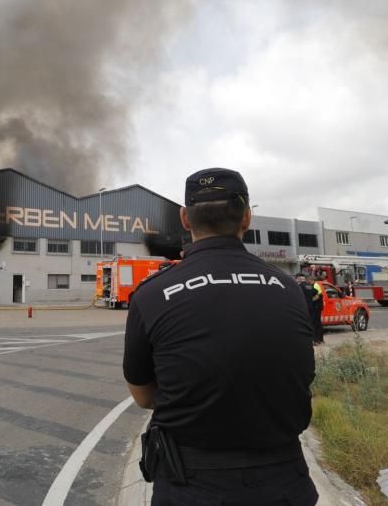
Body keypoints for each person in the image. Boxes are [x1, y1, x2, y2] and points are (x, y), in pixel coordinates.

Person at [123, 167, 318, 505]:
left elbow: (143, 396)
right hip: (285, 481)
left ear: (185, 219)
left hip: (190, 485)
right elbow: (299, 372)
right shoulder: (290, 288)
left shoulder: (152, 294)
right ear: (247, 218)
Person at [310, 273, 325, 345]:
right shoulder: (315, 285)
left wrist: (310, 301)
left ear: (312, 280)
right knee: (317, 323)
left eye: (309, 281)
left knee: (317, 323)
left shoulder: (315, 285)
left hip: (317, 307)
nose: (309, 282)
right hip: (317, 306)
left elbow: (318, 296)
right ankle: (320, 340)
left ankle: (318, 339)